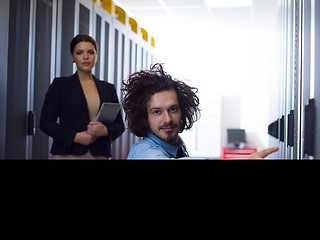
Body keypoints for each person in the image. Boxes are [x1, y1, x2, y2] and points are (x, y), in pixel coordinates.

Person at [121, 63, 278, 160]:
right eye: (157, 112)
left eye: (173, 109)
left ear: (183, 110)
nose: (167, 119)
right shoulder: (144, 152)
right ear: (144, 116)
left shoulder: (177, 145)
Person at [40, 34, 124, 159]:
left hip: (99, 153)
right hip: (68, 153)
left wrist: (104, 131)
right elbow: (46, 123)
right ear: (72, 57)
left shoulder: (108, 88)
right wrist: (76, 137)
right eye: (79, 52)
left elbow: (119, 125)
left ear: (96, 55)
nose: (85, 57)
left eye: (90, 52)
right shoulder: (60, 85)